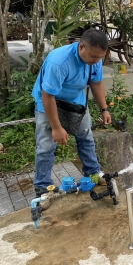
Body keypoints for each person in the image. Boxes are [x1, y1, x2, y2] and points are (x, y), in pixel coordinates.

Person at [31, 29, 111, 196]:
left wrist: (104, 109)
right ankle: (43, 187)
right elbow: (48, 96)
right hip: (49, 102)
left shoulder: (94, 60)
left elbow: (96, 83)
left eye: (100, 58)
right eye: (94, 57)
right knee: (46, 147)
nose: (96, 61)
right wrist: (57, 128)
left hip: (76, 102)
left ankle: (93, 172)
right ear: (81, 47)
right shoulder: (59, 61)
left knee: (86, 137)